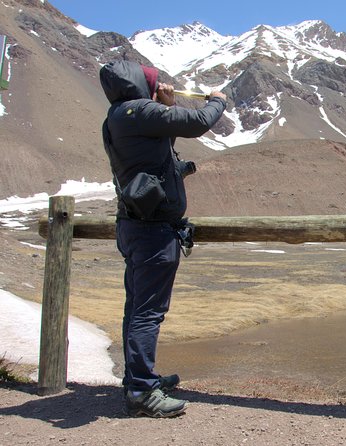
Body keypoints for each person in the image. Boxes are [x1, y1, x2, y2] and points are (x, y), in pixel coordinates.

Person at [99, 60, 227, 417]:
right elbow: (198, 123)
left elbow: (161, 140)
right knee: (148, 312)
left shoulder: (120, 115)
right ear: (141, 83)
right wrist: (218, 100)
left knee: (136, 308)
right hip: (153, 231)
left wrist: (166, 106)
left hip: (136, 227)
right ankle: (141, 391)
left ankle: (139, 378)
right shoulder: (139, 111)